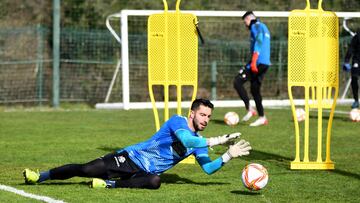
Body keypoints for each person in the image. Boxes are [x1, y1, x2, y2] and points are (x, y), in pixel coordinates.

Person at [23, 99, 252, 189]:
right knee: (86, 169)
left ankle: (111, 185)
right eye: (203, 115)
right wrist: (217, 140)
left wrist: (228, 155)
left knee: (155, 181)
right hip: (130, 158)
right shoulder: (177, 121)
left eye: (209, 117)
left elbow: (208, 169)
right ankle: (40, 176)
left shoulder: (200, 143)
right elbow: (185, 140)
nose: (206, 120)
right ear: (192, 114)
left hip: (143, 173)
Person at [234, 11, 271, 127]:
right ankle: (262, 117)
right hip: (264, 63)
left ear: (250, 19)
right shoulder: (263, 26)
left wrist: (254, 60)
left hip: (258, 63)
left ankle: (250, 109)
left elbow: (259, 40)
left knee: (238, 81)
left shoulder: (256, 26)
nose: (245, 24)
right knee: (255, 89)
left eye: (245, 21)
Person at [343, 29, 360, 109]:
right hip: (357, 61)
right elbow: (351, 48)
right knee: (354, 78)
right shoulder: (357, 36)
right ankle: (356, 100)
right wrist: (346, 61)